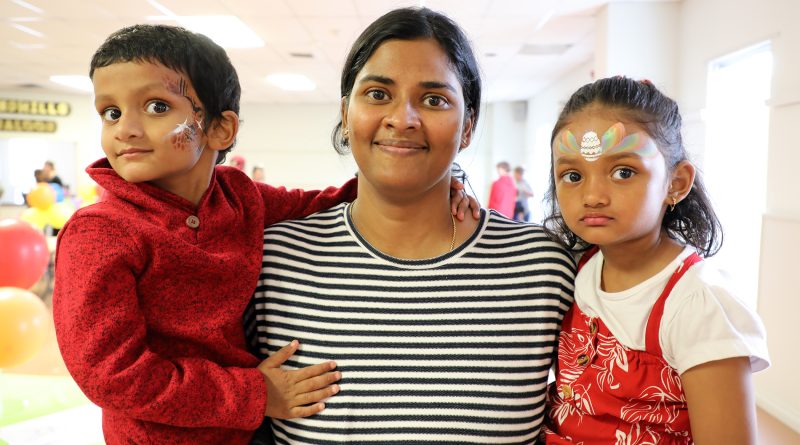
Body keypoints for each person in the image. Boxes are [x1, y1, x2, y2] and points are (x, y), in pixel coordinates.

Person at [245, 7, 575, 443]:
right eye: (378, 94)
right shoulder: (273, 261)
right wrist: (242, 397)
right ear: (345, 113)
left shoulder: (542, 268)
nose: (402, 119)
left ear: (469, 126)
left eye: (434, 99)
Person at [51, 24, 358, 445]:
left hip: (248, 432)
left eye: (157, 107)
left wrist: (431, 186)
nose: (125, 129)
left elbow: (321, 202)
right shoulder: (99, 233)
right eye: (111, 112)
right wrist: (255, 394)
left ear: (220, 129)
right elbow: (112, 375)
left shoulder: (236, 194)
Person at [542, 76, 769, 444]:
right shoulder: (575, 269)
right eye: (572, 175)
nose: (593, 195)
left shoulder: (698, 304)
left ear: (676, 183)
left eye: (623, 172)